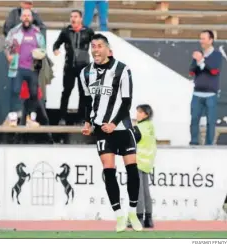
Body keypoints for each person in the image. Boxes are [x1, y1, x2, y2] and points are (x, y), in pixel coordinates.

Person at [80, 34, 142, 232]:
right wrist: (88, 123)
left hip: (121, 127)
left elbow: (126, 102)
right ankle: (119, 215)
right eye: (93, 46)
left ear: (108, 49)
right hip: (101, 129)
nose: (95, 50)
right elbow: (87, 101)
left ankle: (132, 210)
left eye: (99, 46)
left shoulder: (122, 70)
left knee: (132, 169)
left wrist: (114, 123)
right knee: (109, 171)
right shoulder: (85, 73)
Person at [4, 8, 46, 127]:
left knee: (33, 93)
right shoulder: (14, 32)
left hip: (32, 68)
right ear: (21, 18)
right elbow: (6, 45)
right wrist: (8, 55)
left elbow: (43, 48)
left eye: (29, 15)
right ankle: (12, 118)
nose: (26, 18)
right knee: (15, 91)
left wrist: (40, 54)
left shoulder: (37, 33)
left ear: (32, 18)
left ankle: (31, 119)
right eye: (24, 16)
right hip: (17, 67)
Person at [53, 10, 95, 125]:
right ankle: (62, 117)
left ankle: (81, 118)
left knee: (83, 93)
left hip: (84, 67)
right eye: (71, 16)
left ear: (80, 19)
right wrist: (56, 49)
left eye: (75, 16)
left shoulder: (88, 31)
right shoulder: (66, 31)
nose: (73, 18)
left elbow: (97, 43)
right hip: (69, 66)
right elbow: (57, 43)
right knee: (66, 92)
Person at [189, 30, 223, 146]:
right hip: (197, 93)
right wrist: (198, 62)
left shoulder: (217, 55)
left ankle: (209, 145)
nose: (201, 41)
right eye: (200, 38)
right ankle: (194, 142)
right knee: (194, 120)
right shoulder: (198, 54)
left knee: (210, 122)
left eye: (203, 38)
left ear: (211, 40)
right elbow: (192, 72)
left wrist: (202, 61)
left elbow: (214, 71)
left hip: (211, 95)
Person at [132, 104, 157, 228]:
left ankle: (138, 218)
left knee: (138, 191)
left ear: (146, 114)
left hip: (138, 161)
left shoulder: (139, 128)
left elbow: (130, 141)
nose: (137, 114)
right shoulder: (150, 126)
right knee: (146, 191)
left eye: (140, 112)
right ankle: (149, 219)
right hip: (148, 162)